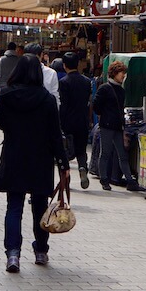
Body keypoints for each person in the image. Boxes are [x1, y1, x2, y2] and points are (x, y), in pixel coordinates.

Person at [0, 54, 70, 271]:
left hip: (14, 155)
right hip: (40, 158)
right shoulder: (46, 99)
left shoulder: (6, 96)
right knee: (39, 207)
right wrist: (63, 165)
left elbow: (1, 124)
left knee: (14, 206)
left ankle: (13, 254)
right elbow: (55, 135)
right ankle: (41, 251)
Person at [92, 61, 140, 192]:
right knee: (106, 153)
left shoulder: (121, 90)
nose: (123, 75)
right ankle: (104, 179)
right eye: (121, 73)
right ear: (114, 73)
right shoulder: (105, 88)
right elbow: (96, 106)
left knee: (122, 154)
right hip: (107, 126)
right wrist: (105, 116)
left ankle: (130, 180)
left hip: (118, 126)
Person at [58, 52, 93, 190]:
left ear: (64, 65)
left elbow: (63, 105)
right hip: (82, 120)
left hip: (68, 121)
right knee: (81, 150)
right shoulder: (86, 81)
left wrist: (60, 123)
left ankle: (66, 179)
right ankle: (83, 168)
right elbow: (89, 102)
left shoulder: (64, 82)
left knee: (66, 151)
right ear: (78, 64)